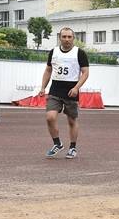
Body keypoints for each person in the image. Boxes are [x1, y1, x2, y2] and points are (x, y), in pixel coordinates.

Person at [38, 27, 89, 159]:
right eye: (64, 37)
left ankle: (72, 147)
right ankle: (57, 143)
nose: (66, 39)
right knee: (50, 117)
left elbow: (85, 73)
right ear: (60, 38)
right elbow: (48, 70)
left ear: (73, 38)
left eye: (69, 37)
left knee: (71, 120)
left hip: (71, 90)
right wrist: (43, 87)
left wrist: (77, 87)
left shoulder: (80, 53)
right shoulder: (53, 52)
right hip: (55, 89)